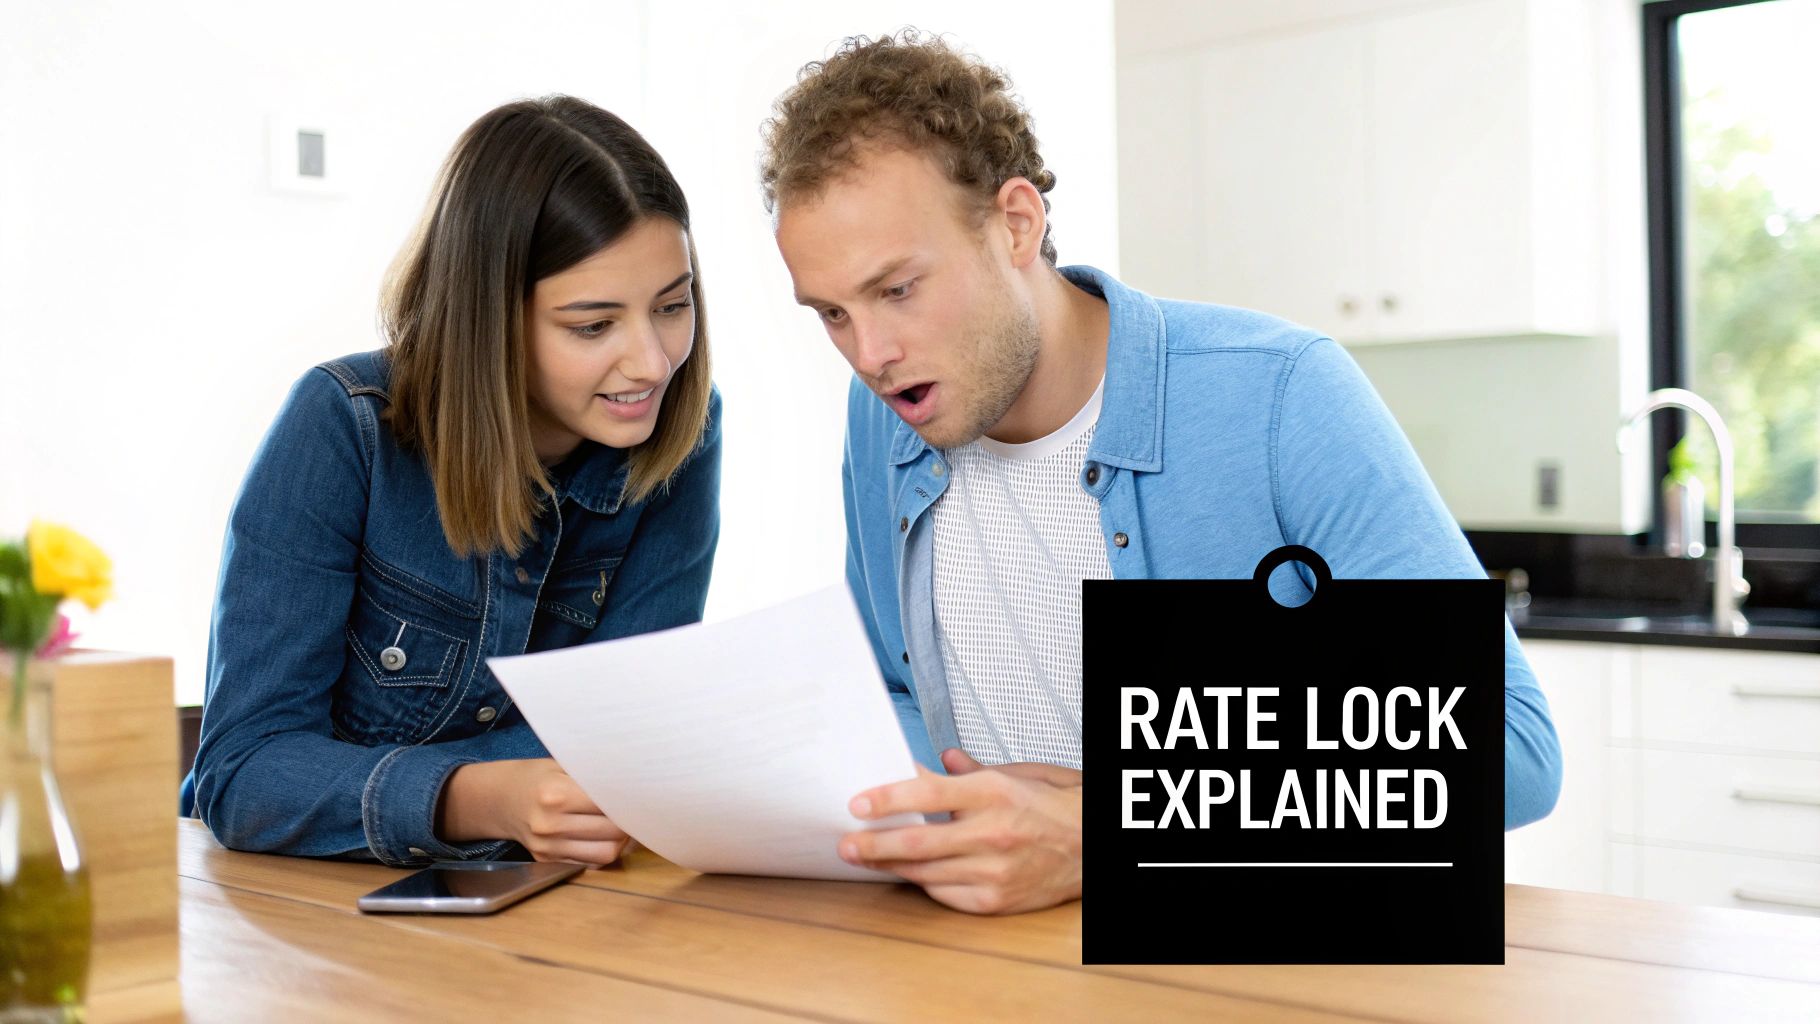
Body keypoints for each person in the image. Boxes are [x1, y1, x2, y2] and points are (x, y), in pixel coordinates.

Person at [759, 32, 1561, 914]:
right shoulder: (884, 419)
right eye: (832, 313)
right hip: (998, 953)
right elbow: (891, 688)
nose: (869, 353)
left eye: (898, 289)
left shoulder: (1279, 393)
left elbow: (1513, 751)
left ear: (1015, 224)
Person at [182, 96, 721, 868]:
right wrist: (480, 797)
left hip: (543, 896)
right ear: (488, 319)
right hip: (300, 905)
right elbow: (244, 774)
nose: (652, 362)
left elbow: (629, 735)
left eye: (672, 305)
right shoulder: (344, 426)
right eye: (593, 325)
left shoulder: (677, 431)